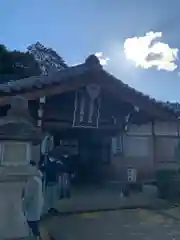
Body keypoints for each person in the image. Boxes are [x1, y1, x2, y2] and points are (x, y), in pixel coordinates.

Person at [23, 160, 44, 239]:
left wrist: (22, 207)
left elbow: (28, 197)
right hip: (36, 207)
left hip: (32, 209)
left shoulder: (32, 181)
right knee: (34, 227)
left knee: (32, 228)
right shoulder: (37, 178)